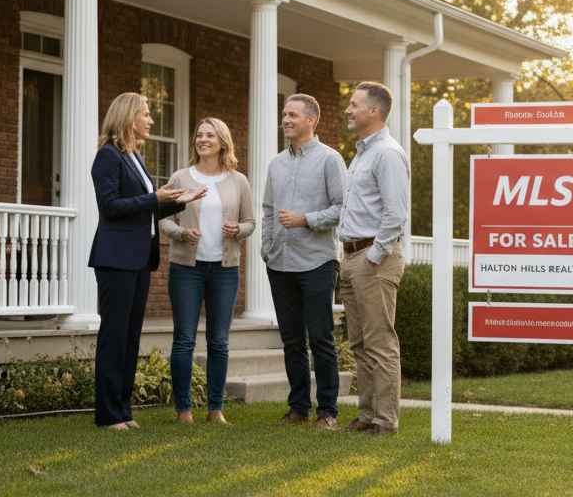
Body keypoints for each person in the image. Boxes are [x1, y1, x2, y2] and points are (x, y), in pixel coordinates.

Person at [89, 92, 204, 430]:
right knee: (114, 335)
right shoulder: (107, 157)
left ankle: (123, 410)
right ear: (128, 117)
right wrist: (155, 197)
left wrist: (179, 200)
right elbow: (110, 206)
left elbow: (145, 207)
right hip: (115, 258)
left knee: (130, 337)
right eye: (146, 113)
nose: (151, 120)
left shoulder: (134, 155)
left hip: (139, 258)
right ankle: (108, 414)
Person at [159, 117, 254, 424]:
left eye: (210, 135)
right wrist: (181, 234)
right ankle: (183, 410)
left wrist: (237, 228)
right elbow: (164, 220)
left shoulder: (238, 181)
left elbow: (251, 222)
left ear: (222, 142)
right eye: (199, 135)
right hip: (187, 269)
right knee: (184, 339)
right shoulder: (181, 177)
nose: (203, 139)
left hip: (225, 270)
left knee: (219, 341)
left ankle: (215, 409)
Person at [262, 94, 346, 429]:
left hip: (316, 262)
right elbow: (268, 210)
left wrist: (306, 219)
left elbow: (343, 207)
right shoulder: (276, 164)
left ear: (311, 119)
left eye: (292, 115)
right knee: (292, 339)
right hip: (280, 263)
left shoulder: (330, 159)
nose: (286, 120)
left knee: (321, 337)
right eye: (284, 114)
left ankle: (328, 412)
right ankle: (298, 407)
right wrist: (266, 248)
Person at [338, 81, 410, 436]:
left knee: (380, 342)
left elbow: (396, 213)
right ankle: (367, 416)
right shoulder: (362, 153)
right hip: (352, 256)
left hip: (373, 258)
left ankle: (386, 421)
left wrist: (374, 257)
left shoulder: (387, 153)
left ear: (374, 111)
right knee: (360, 343)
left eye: (354, 104)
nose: (348, 110)